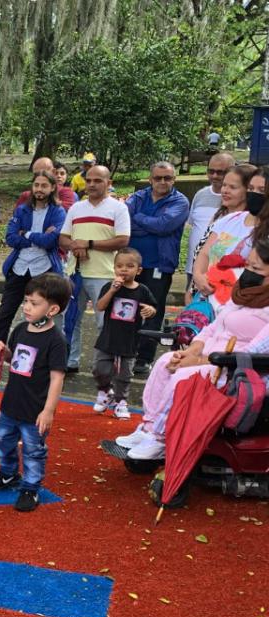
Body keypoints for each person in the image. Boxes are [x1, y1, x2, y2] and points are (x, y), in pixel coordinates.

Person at [116, 238, 269, 460]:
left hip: (237, 371)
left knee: (184, 376)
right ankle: (150, 428)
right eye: (248, 265)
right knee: (165, 363)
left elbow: (251, 354)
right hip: (210, 357)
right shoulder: (243, 295)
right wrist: (191, 351)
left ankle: (161, 437)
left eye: (256, 268)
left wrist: (199, 362)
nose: (248, 272)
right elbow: (213, 327)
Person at [0, 273, 71, 512]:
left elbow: (57, 377)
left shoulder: (56, 340)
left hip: (35, 408)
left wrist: (48, 411)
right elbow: (18, 362)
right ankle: (8, 473)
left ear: (52, 310)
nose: (27, 307)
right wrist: (6, 352)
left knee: (33, 450)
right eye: (26, 301)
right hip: (11, 402)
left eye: (34, 303)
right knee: (4, 439)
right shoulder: (21, 329)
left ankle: (31, 487)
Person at [0, 171, 66, 369]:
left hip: (43, 271)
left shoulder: (58, 212)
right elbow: (10, 238)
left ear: (52, 188)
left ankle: (41, 360)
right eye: (36, 185)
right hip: (19, 268)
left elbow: (52, 241)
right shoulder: (22, 210)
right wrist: (37, 236)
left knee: (42, 316)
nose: (39, 189)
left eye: (44, 185)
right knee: (5, 313)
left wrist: (27, 233)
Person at [59, 164, 132, 373]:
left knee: (104, 324)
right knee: (71, 320)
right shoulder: (76, 207)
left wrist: (88, 244)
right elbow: (63, 238)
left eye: (97, 180)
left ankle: (102, 364)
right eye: (89, 180)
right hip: (76, 273)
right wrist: (75, 245)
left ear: (109, 183)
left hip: (104, 275)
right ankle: (70, 361)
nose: (91, 184)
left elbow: (122, 240)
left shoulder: (118, 208)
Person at [126, 162, 190, 375]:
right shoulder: (137, 197)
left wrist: (140, 220)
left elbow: (165, 226)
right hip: (132, 265)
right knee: (128, 309)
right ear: (150, 178)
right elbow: (127, 222)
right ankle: (126, 352)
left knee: (153, 311)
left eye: (168, 178)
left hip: (160, 265)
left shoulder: (180, 201)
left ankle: (144, 358)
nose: (163, 182)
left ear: (174, 179)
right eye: (158, 178)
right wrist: (152, 225)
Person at [90, 248, 158, 419]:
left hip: (129, 340)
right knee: (99, 368)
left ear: (138, 270)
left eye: (129, 266)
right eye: (119, 266)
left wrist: (151, 309)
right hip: (107, 338)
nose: (124, 270)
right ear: (114, 269)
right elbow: (100, 306)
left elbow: (153, 307)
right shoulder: (109, 286)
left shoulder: (142, 290)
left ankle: (121, 402)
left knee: (124, 375)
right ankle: (105, 391)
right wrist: (113, 290)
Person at [191, 164, 263, 311]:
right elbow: (205, 253)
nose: (254, 194)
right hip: (208, 299)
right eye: (251, 188)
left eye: (261, 191)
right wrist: (197, 277)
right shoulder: (230, 219)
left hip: (241, 306)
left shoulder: (263, 230)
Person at [184, 153, 234, 296]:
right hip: (193, 269)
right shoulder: (200, 194)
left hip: (220, 272)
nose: (215, 176)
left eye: (220, 172)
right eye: (211, 171)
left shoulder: (237, 200)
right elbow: (193, 226)